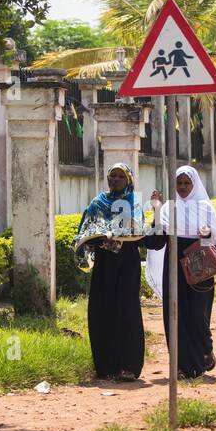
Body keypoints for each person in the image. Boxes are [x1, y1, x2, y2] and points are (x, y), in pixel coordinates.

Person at [145, 166, 216, 379]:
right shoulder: (167, 209)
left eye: (186, 183)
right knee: (175, 314)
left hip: (199, 264)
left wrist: (205, 234)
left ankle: (205, 351)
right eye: (178, 183)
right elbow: (155, 241)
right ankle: (183, 366)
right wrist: (155, 210)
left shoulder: (205, 208)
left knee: (197, 314)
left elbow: (215, 242)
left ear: (194, 184)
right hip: (173, 266)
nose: (182, 187)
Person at [73, 163, 147, 382]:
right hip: (105, 265)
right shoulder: (98, 203)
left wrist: (117, 234)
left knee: (127, 311)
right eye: (112, 176)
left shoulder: (133, 202)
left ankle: (129, 366)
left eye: (120, 176)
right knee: (103, 311)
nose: (115, 180)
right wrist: (98, 236)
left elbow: (138, 230)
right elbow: (84, 231)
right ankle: (106, 366)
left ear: (129, 180)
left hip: (127, 264)